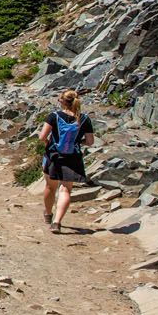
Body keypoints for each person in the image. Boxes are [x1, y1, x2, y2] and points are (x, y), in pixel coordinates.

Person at [39, 88, 95, 234]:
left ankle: (48, 213)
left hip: (53, 156)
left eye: (59, 99)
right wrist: (78, 143)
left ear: (63, 101)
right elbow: (90, 141)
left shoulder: (54, 116)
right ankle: (57, 222)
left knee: (50, 187)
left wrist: (48, 143)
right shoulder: (84, 119)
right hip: (73, 158)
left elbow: (42, 136)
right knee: (65, 190)